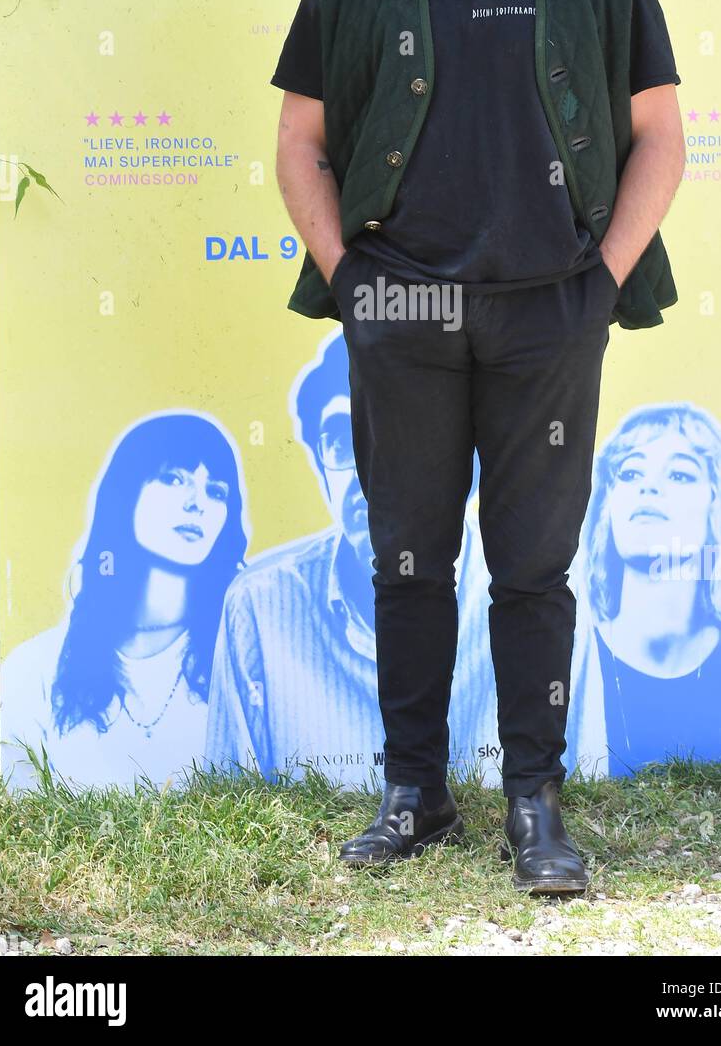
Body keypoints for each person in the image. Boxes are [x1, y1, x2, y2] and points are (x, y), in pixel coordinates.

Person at [271, 0, 685, 894]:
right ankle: (414, 794)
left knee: (533, 568)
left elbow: (659, 133)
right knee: (407, 558)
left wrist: (600, 278)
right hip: (396, 299)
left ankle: (534, 803)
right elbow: (299, 144)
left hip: (548, 304)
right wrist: (348, 274)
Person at [204, 330, 500, 792]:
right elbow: (229, 794)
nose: (374, 472)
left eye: (414, 431)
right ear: (320, 464)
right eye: (343, 442)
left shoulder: (527, 593)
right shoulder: (260, 606)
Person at [0, 412, 249, 793]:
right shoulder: (34, 669)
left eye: (216, 491)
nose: (197, 503)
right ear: (126, 492)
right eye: (173, 478)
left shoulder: (243, 660)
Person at [565, 403, 721, 780]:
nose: (649, 486)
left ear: (718, 505)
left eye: (679, 474)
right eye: (630, 471)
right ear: (608, 503)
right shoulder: (563, 663)